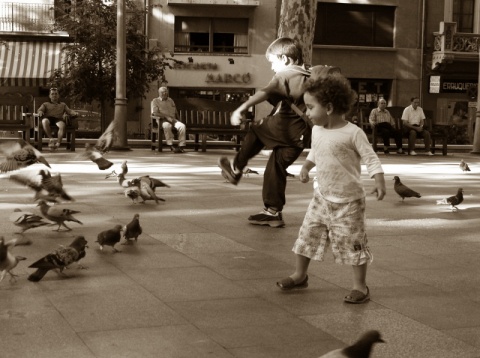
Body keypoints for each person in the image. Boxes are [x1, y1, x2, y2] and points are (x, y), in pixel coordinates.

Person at [276, 72, 386, 304]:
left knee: (354, 243)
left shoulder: (353, 132)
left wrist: (378, 180)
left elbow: (370, 157)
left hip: (349, 202)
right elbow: (316, 151)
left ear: (328, 107)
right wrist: (306, 166)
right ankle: (300, 275)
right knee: (307, 235)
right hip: (321, 197)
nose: (306, 113)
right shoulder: (317, 130)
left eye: (309, 107)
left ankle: (360, 287)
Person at [217, 37, 311, 228]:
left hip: (286, 129)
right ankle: (273, 212)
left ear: (285, 59)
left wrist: (240, 109)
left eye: (272, 62)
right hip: (301, 136)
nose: (272, 67)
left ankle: (237, 169)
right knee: (275, 169)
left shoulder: (287, 74)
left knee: (256, 129)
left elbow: (264, 93)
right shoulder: (308, 75)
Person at [151, 87, 187, 153]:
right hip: (162, 120)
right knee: (167, 126)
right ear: (159, 93)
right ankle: (171, 145)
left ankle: (181, 146)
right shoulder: (155, 101)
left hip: (173, 119)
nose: (164, 93)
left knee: (182, 126)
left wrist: (179, 120)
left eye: (166, 92)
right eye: (162, 92)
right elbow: (155, 113)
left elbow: (175, 111)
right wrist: (166, 117)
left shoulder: (170, 100)